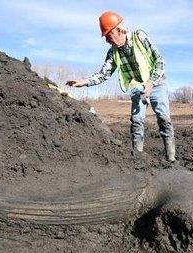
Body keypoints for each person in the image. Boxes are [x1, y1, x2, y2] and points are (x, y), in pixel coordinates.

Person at [67, 11, 176, 162]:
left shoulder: (140, 37)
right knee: (136, 121)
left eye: (108, 36)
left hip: (156, 83)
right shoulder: (113, 52)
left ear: (119, 30)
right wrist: (85, 82)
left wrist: (151, 83)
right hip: (138, 86)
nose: (107, 41)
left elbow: (159, 60)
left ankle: (171, 160)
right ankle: (137, 159)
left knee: (164, 119)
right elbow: (104, 74)